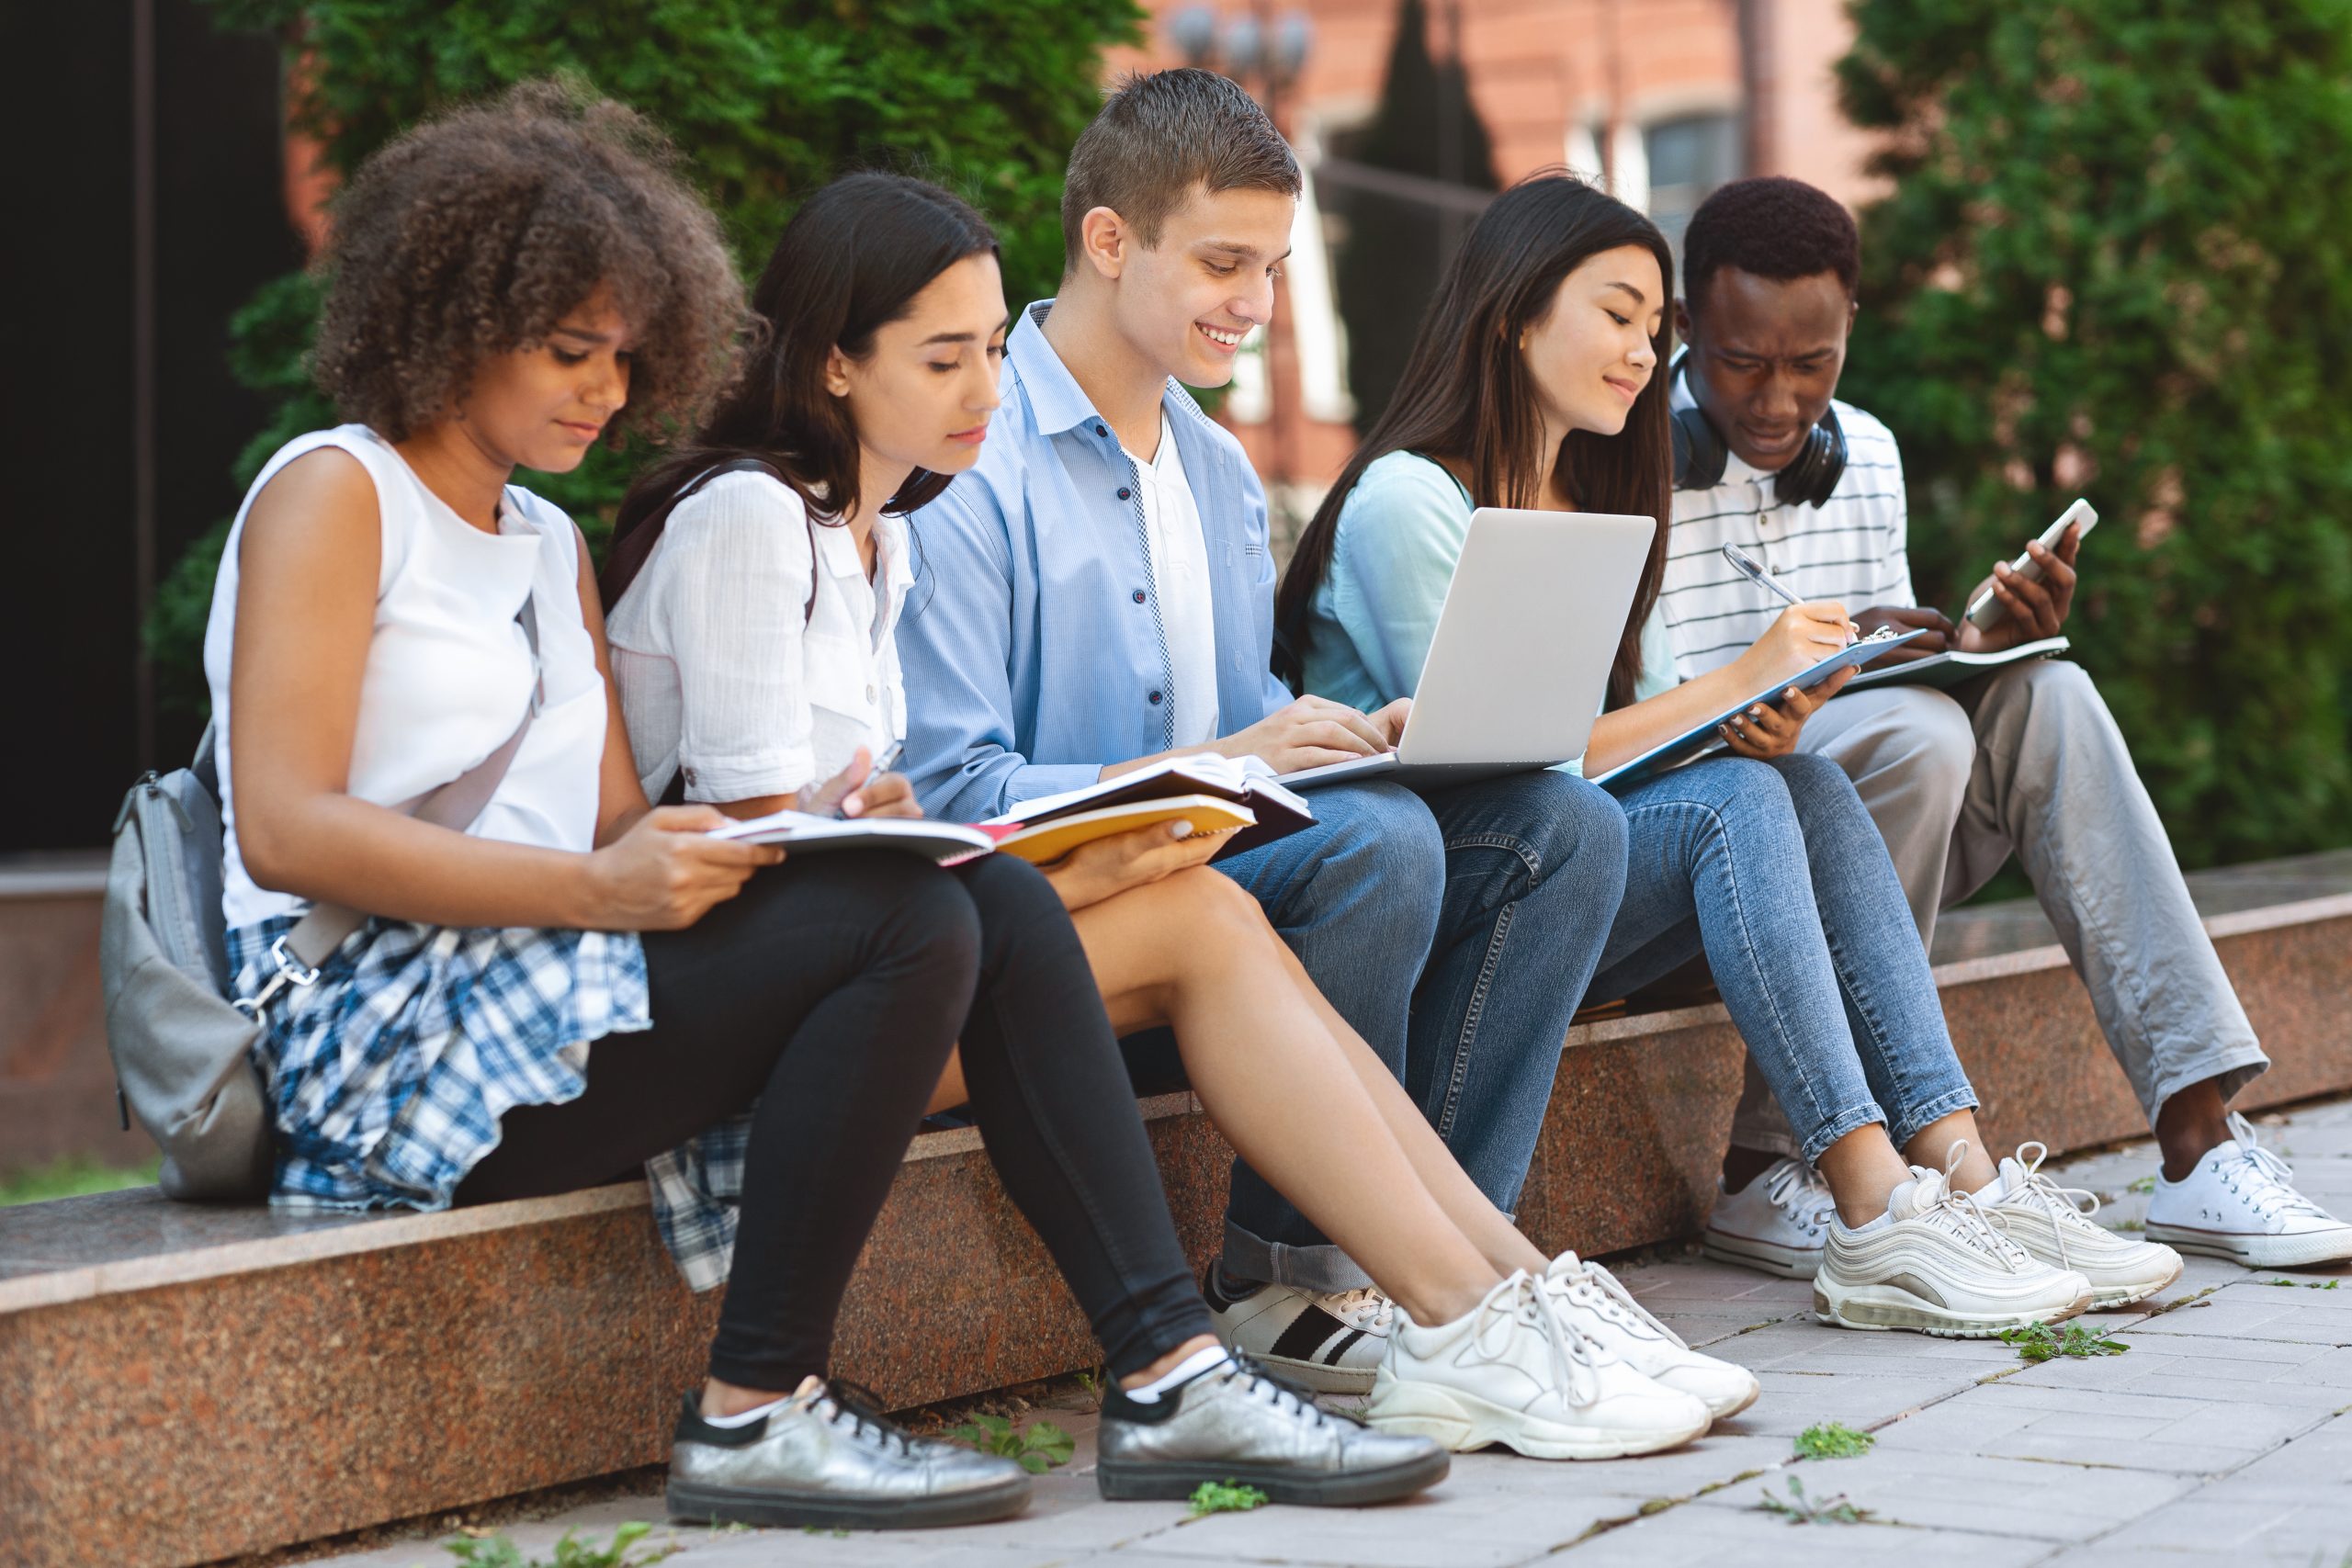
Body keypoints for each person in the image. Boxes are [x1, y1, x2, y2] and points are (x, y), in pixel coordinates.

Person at [208, 85, 1444, 1532]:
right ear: (448, 320)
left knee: (961, 891)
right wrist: (606, 890)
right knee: (920, 915)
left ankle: (1170, 1369)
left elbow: (624, 837)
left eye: (623, 353)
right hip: (377, 1029)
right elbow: (283, 829)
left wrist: (831, 816)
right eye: (566, 351)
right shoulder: (333, 491)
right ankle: (758, 1410)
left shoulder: (541, 536)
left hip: (548, 982)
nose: (604, 389)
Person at [608, 169, 1748, 1462]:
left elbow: (859, 836)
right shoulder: (762, 517)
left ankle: (1497, 1292)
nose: (987, 389)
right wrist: (1122, 828)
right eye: (946, 358)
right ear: (830, 363)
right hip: (785, 1000)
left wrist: (1293, 751)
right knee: (1238, 893)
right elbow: (791, 875)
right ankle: (1430, 1314)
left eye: (990, 350)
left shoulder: (888, 535)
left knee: (1321, 871)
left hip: (906, 953)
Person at [1278, 170, 2169, 1332]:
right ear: (1512, 312)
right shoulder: (1410, 499)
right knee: (1740, 806)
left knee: (1790, 782)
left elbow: (1637, 746)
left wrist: (1763, 708)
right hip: (1457, 890)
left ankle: (1954, 1174)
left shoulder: (1591, 486)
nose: (1645, 353)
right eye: (1617, 315)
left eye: (1653, 328)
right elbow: (1504, 767)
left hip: (1573, 871)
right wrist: (1737, 677)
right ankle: (1868, 1206)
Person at [896, 67, 1632, 1392]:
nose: (1258, 304)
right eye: (1226, 262)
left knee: (1561, 824)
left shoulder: (1224, 473)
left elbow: (1249, 748)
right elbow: (963, 793)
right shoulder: (969, 458)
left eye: (1277, 268)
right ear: (1109, 241)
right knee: (1380, 849)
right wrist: (1238, 763)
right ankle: (1287, 1278)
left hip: (1218, 870)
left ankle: (1459, 1281)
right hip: (1068, 909)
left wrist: (1354, 733)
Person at [1657, 175, 2352, 1274]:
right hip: (1705, 856)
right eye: (1742, 362)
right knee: (1920, 743)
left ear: (1851, 332)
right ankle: (1763, 1163)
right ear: (1685, 327)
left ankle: (2196, 1139)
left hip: (1864, 835)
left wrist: (1964, 652)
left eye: (1813, 363)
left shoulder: (1867, 458)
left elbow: (1872, 700)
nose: (1780, 402)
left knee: (2050, 695)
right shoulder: (1616, 455)